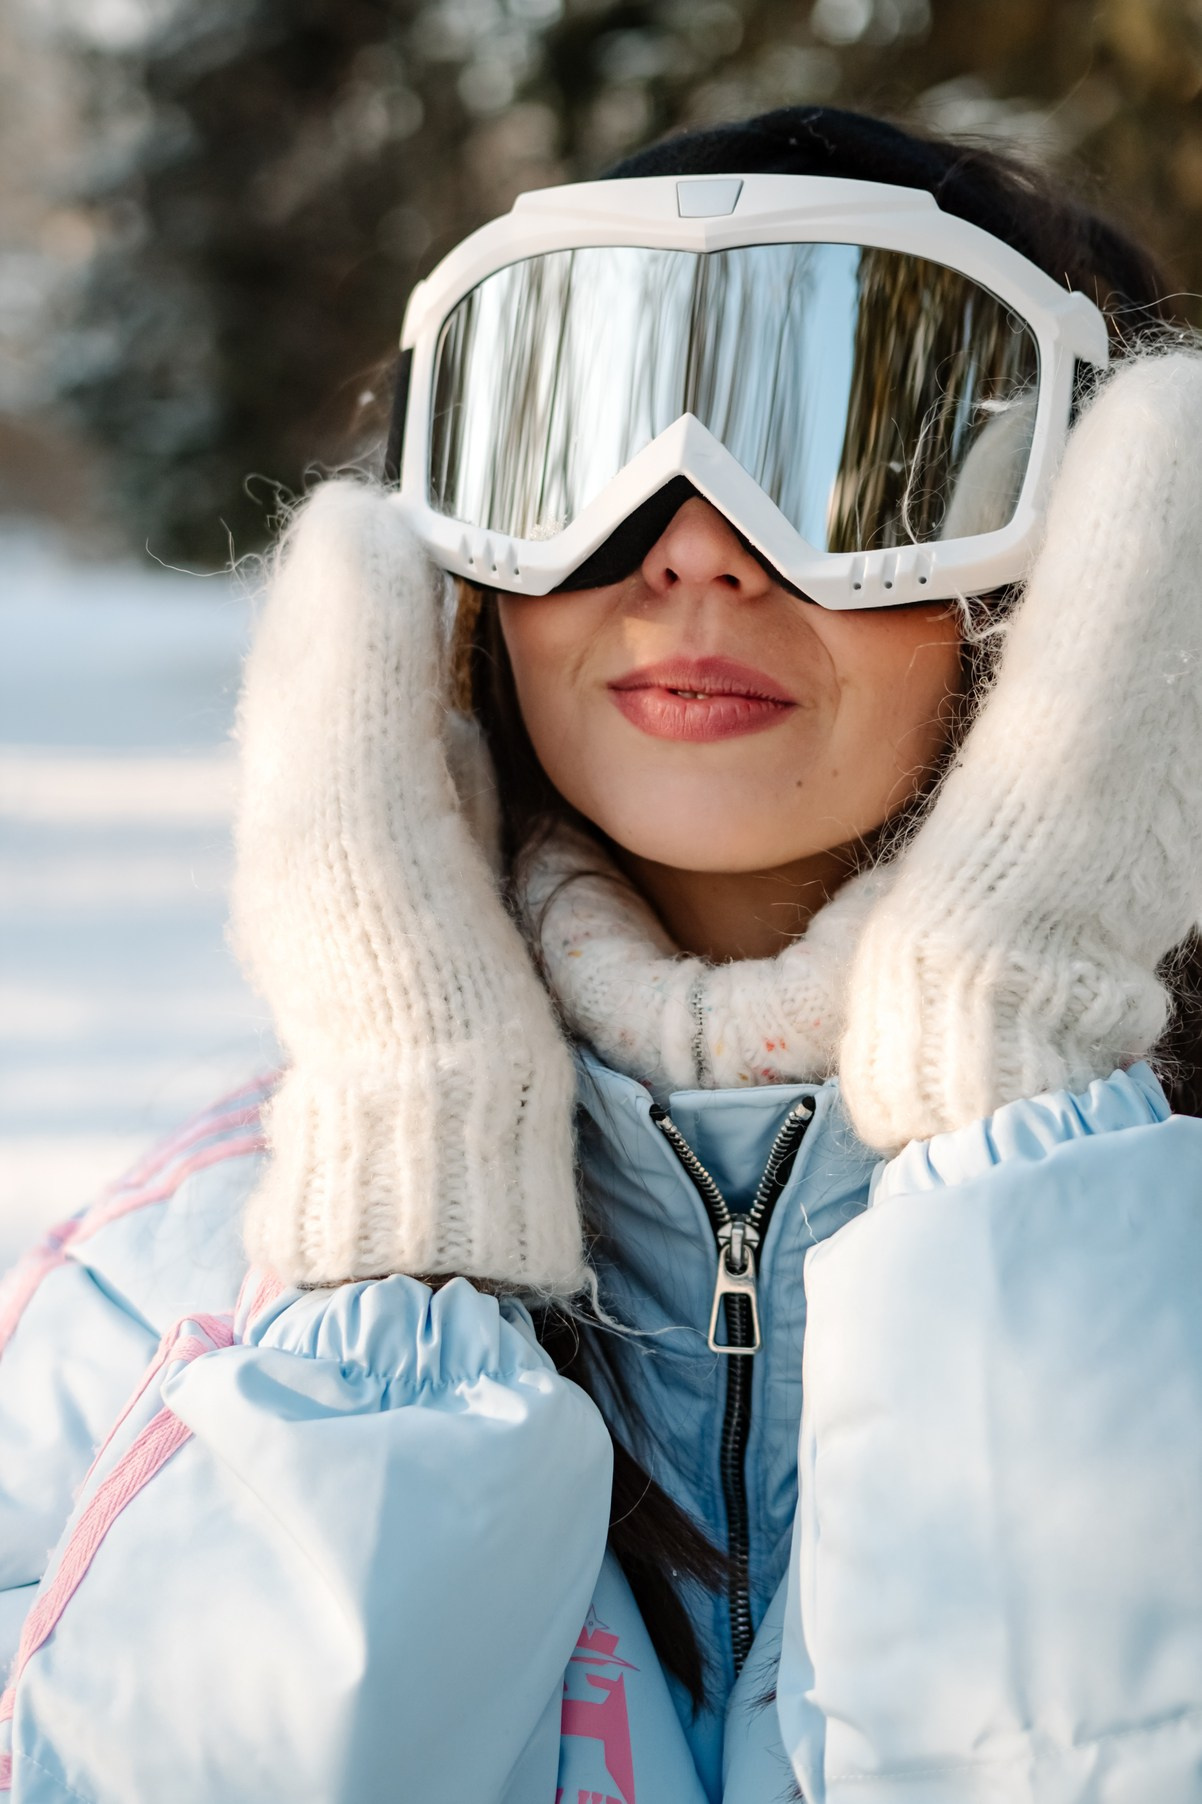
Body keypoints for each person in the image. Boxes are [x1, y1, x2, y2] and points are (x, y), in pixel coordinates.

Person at [1, 105, 1201, 1804]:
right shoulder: (164, 1298)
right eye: (578, 441)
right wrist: (406, 1218)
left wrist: (1019, 1083)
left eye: (852, 447)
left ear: (1091, 567)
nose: (692, 542)